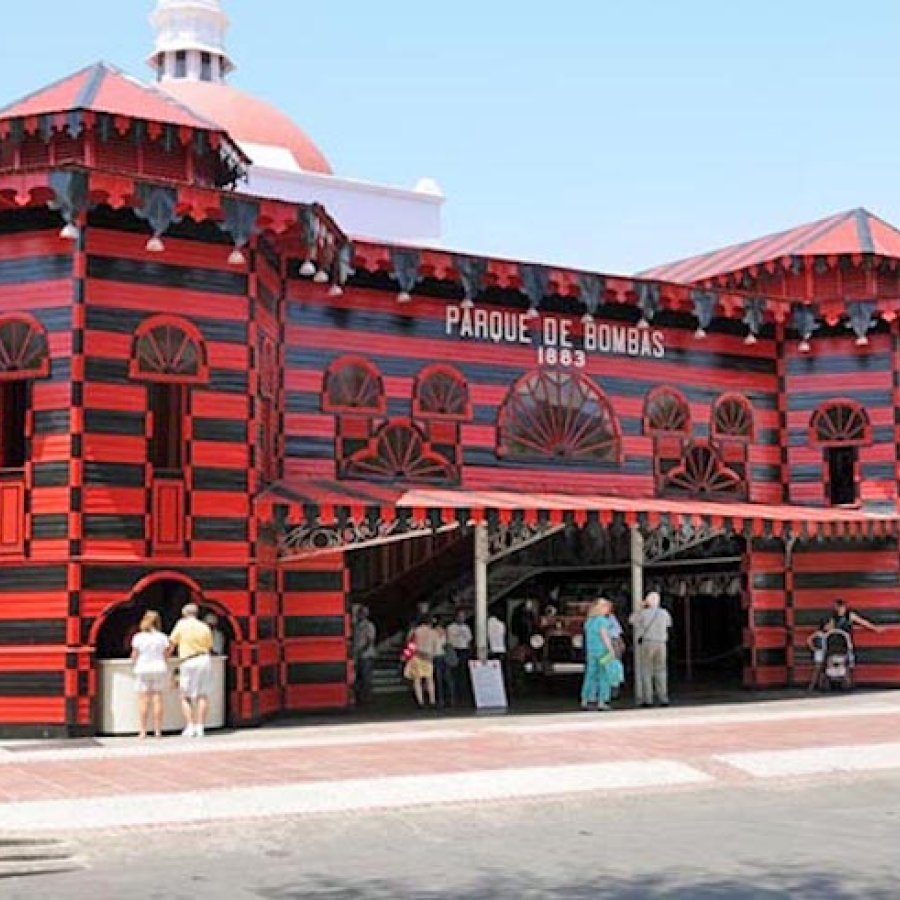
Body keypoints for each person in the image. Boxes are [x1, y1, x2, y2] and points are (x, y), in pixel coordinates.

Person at [169, 602, 214, 737]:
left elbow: (172, 643)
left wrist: (167, 656)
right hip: (204, 659)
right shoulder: (204, 626)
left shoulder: (181, 625)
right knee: (202, 694)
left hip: (188, 660)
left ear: (184, 613)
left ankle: (190, 725)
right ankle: (200, 727)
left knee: (185, 695)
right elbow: (210, 646)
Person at [130, 610, 169, 739]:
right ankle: (158, 731)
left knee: (143, 700)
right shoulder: (163, 637)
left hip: (143, 668)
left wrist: (134, 662)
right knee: (157, 699)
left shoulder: (138, 637)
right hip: (159, 668)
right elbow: (166, 655)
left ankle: (142, 731)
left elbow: (134, 655)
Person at [630, 590, 673, 707]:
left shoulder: (643, 613)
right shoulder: (665, 613)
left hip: (647, 642)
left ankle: (648, 699)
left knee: (646, 670)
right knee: (661, 670)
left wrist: (640, 608)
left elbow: (631, 620)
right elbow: (668, 625)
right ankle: (663, 697)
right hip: (661, 643)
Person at [580, 598, 623, 711]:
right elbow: (605, 636)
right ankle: (602, 701)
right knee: (604, 675)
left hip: (591, 651)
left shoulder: (589, 621)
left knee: (590, 675)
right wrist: (611, 650)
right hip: (603, 651)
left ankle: (586, 699)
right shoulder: (602, 621)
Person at [403, 618, 439, 709]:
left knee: (417, 680)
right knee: (429, 679)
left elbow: (408, 643)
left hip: (417, 656)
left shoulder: (415, 631)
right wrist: (432, 655)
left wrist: (406, 655)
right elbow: (435, 646)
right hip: (428, 657)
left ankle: (420, 702)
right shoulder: (433, 632)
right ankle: (432, 700)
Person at [352, 606, 377, 707]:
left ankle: (366, 698)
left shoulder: (369, 626)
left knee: (366, 678)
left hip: (366, 655)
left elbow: (370, 640)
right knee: (358, 678)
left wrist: (360, 651)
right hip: (358, 655)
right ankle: (360, 698)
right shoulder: (356, 626)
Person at [446, 609, 473, 702]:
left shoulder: (466, 628)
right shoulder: (450, 627)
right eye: (460, 616)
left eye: (463, 616)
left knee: (463, 673)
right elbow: (449, 641)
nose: (462, 618)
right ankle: (454, 694)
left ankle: (463, 693)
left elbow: (469, 640)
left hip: (464, 650)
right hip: (455, 650)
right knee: (455, 673)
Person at [431, 617, 455, 708]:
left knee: (438, 680)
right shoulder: (446, 632)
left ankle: (441, 700)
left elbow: (432, 646)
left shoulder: (432, 633)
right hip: (446, 657)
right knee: (448, 679)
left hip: (437, 657)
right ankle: (451, 699)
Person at [807, 619, 832, 692]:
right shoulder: (819, 633)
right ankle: (811, 686)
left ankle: (822, 686)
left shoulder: (830, 633)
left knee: (825, 670)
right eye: (828, 625)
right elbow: (809, 639)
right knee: (817, 669)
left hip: (827, 652)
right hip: (819, 652)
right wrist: (813, 648)